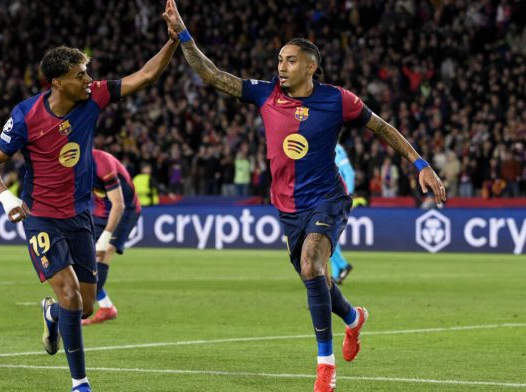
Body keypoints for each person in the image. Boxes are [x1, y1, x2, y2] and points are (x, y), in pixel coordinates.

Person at [162, 1, 446, 390]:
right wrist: (184, 35)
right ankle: (353, 319)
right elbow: (212, 75)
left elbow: (382, 128)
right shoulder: (265, 95)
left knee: (313, 265)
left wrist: (420, 165)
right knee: (317, 282)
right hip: (288, 207)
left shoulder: (337, 100)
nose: (281, 66)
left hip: (328, 198)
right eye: (280, 59)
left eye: (291, 60)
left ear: (311, 66)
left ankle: (325, 368)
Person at [0, 34, 178, 392]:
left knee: (83, 307)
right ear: (58, 83)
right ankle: (80, 383)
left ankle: (51, 314)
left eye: (88, 73)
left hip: (79, 217)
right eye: (81, 74)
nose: (89, 80)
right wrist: (7, 199)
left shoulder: (94, 99)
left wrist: (174, 39)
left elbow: (146, 75)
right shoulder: (26, 115)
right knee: (69, 294)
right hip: (40, 216)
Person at [82, 149, 142, 326]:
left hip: (125, 211)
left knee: (105, 252)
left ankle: (79, 310)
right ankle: (107, 307)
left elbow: (119, 203)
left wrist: (106, 236)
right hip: (100, 212)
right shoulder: (70, 162)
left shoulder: (102, 163)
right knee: (83, 257)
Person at [331, 144, 354, 284]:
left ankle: (343, 265)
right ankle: (336, 274)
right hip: (329, 197)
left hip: (335, 199)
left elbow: (349, 173)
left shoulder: (336, 148)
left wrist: (349, 195)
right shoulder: (329, 145)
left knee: (324, 237)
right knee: (331, 237)